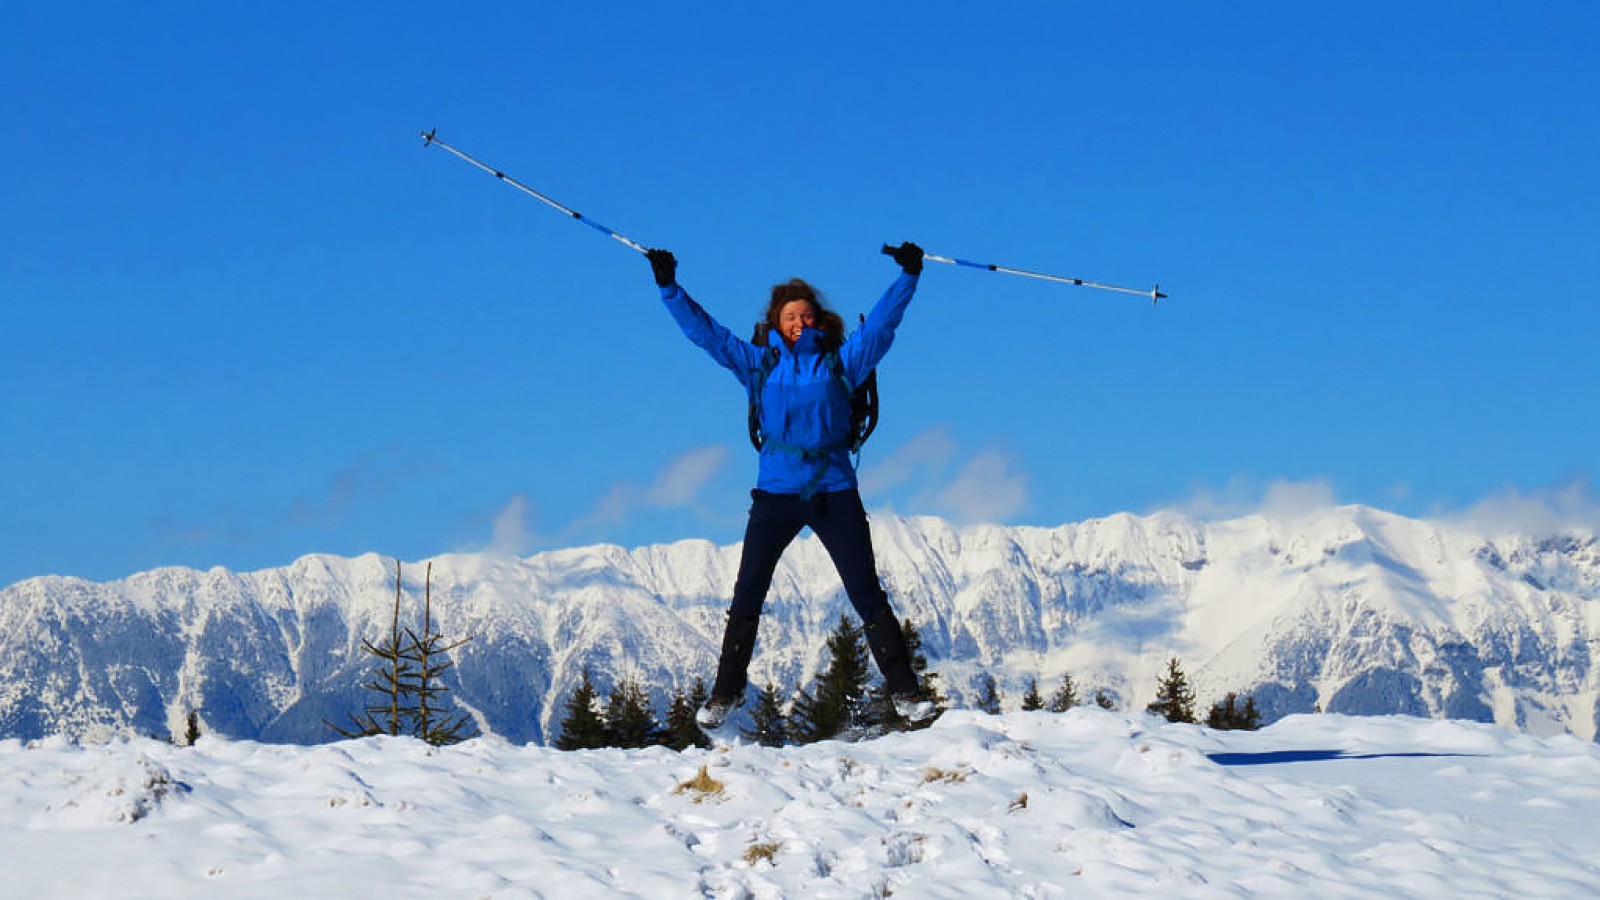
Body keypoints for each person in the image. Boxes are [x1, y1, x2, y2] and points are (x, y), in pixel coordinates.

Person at [647, 241, 936, 728]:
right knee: (748, 593)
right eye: (789, 317)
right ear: (776, 325)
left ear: (819, 322)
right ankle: (726, 692)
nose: (798, 322)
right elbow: (707, 335)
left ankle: (906, 693)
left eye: (805, 315)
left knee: (866, 591)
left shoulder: (843, 363)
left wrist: (908, 277)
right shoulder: (760, 365)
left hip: (834, 491)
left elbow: (883, 326)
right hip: (775, 495)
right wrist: (668, 286)